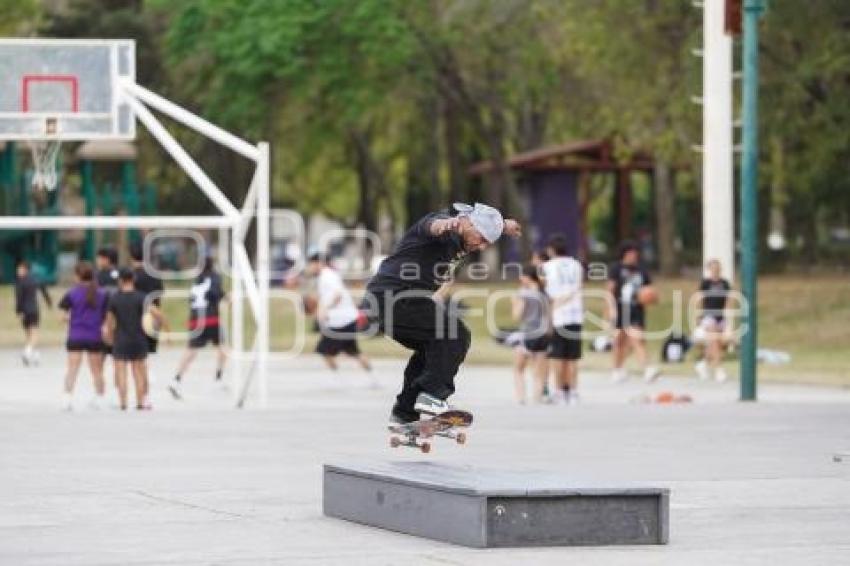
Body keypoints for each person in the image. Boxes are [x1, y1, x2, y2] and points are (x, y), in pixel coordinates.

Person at [364, 202, 522, 425]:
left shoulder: (469, 226)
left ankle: (405, 413)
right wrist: (442, 225)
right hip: (395, 297)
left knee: (432, 348)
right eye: (482, 239)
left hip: (388, 301)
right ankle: (431, 396)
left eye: (488, 242)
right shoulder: (442, 226)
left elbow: (482, 219)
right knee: (455, 334)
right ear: (468, 224)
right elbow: (431, 226)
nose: (482, 246)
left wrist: (503, 226)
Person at [305, 250, 374, 381]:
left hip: (340, 321)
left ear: (318, 263)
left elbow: (337, 294)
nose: (310, 267)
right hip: (345, 319)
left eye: (311, 264)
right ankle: (372, 377)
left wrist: (325, 309)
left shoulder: (327, 276)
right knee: (353, 351)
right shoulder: (328, 275)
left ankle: (338, 379)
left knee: (325, 351)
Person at [103, 268, 164, 410]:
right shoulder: (142, 297)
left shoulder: (114, 298)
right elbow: (158, 315)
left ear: (120, 281)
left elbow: (110, 322)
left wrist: (109, 337)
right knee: (138, 372)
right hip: (139, 339)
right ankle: (140, 402)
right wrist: (157, 328)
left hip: (121, 339)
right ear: (133, 280)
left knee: (121, 371)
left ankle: (123, 403)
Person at [169, 257, 228, 399]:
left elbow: (192, 299)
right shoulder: (214, 278)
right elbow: (216, 294)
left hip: (196, 319)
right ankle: (218, 377)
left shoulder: (197, 280)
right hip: (211, 318)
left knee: (191, 351)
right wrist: (226, 297)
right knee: (223, 347)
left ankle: (176, 379)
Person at [606, 240, 659, 383]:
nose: (634, 256)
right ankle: (617, 369)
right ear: (625, 254)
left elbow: (650, 291)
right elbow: (610, 290)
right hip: (620, 308)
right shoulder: (616, 268)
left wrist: (651, 298)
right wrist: (610, 309)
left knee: (637, 339)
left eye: (635, 253)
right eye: (631, 253)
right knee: (620, 341)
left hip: (636, 309)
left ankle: (647, 368)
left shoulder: (642, 270)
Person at [58, 262, 108, 410]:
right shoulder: (102, 294)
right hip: (94, 336)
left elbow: (62, 316)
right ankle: (99, 397)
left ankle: (67, 399)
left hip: (76, 335)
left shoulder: (72, 293)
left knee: (72, 369)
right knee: (97, 370)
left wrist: (71, 319)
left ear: (78, 276)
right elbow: (106, 315)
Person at [541, 233, 584, 403]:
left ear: (551, 250)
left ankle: (558, 390)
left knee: (557, 357)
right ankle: (572, 391)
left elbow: (546, 292)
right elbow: (579, 286)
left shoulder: (547, 266)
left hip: (558, 313)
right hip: (575, 313)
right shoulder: (576, 265)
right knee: (572, 357)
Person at [129, 241, 165, 406]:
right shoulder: (155, 275)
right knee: (146, 355)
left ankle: (142, 394)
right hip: (154, 318)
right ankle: (146, 395)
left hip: (136, 318)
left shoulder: (131, 276)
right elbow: (159, 296)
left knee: (137, 361)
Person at [510, 265, 549, 404]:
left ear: (527, 277)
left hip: (527, 333)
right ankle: (537, 398)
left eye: (522, 276)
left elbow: (517, 315)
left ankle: (521, 397)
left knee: (519, 368)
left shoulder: (523, 293)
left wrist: (515, 302)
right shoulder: (544, 292)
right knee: (538, 370)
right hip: (542, 333)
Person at [695, 258, 731, 382]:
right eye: (713, 268)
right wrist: (698, 315)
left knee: (719, 344)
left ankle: (703, 363)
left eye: (718, 268)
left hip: (720, 316)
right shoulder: (706, 283)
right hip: (708, 315)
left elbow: (727, 300)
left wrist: (726, 316)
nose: (715, 270)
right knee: (714, 340)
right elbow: (700, 299)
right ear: (709, 270)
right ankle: (719, 369)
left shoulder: (725, 283)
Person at [14, 260, 52, 366]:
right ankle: (31, 354)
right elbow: (44, 291)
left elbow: (18, 298)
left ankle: (29, 353)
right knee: (32, 335)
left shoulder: (20, 282)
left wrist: (18, 311)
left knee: (31, 334)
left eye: (20, 269)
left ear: (26, 270)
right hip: (33, 310)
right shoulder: (36, 279)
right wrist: (49, 303)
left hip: (26, 311)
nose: (18, 271)